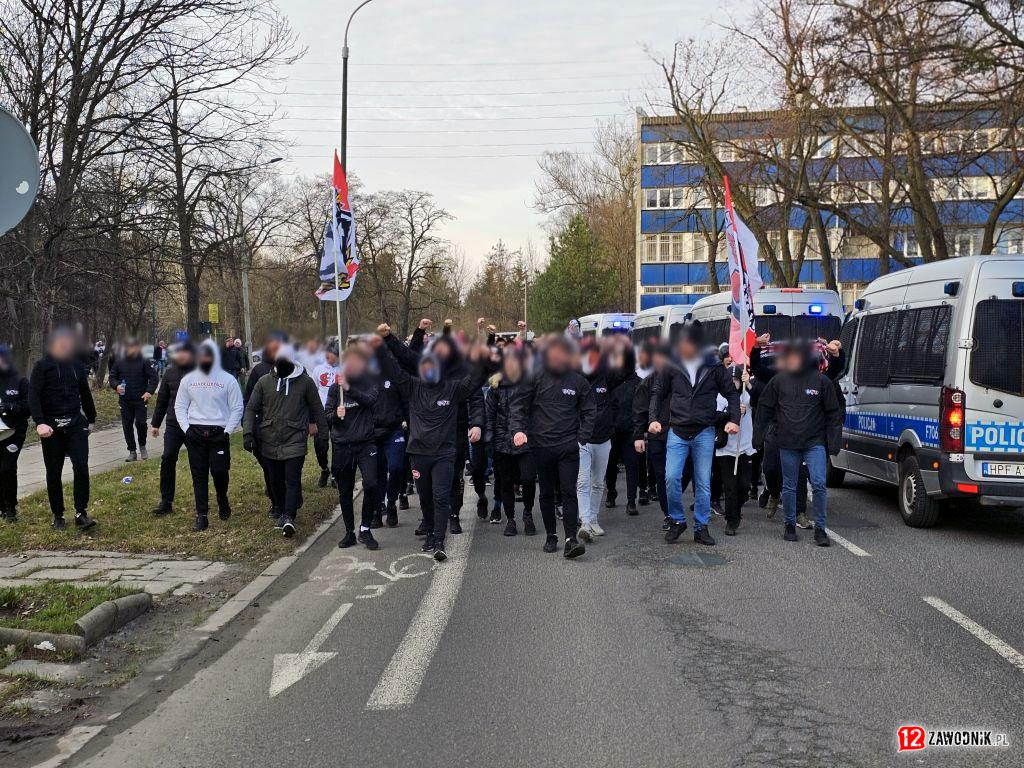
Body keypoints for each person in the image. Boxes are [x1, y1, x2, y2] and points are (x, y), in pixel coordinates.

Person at [375, 323, 487, 562]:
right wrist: (384, 341)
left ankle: (439, 541)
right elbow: (395, 367)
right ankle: (430, 530)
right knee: (425, 497)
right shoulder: (412, 386)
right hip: (418, 453)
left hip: (444, 453)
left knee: (440, 496)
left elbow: (475, 381)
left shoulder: (453, 389)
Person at [648, 322, 740, 546]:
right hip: (677, 431)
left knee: (703, 483)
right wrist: (652, 420)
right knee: (671, 478)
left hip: (704, 432)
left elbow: (731, 393)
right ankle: (678, 520)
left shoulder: (715, 367)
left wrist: (734, 420)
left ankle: (701, 527)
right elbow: (658, 393)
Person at [510, 334, 595, 559]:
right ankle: (551, 535)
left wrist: (582, 437)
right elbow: (518, 405)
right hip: (541, 446)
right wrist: (518, 430)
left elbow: (589, 410)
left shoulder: (577, 381)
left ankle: (570, 539)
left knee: (568, 491)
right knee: (546, 492)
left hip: (568, 447)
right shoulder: (535, 377)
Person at [754, 340, 843, 545]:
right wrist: (758, 437)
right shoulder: (778, 381)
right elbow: (765, 407)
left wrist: (833, 442)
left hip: (814, 443)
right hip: (788, 443)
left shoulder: (821, 382)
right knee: (789, 486)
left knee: (819, 484)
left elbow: (833, 413)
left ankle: (820, 529)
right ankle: (789, 525)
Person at [243, 345, 325, 537]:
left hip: (295, 438)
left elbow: (318, 409)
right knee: (275, 480)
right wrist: (248, 433)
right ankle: (280, 507)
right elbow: (251, 408)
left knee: (292, 478)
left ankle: (289, 516)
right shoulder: (264, 382)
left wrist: (323, 435)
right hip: (269, 439)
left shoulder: (305, 382)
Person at [29, 328, 98, 530]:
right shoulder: (42, 367)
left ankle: (81, 513)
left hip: (75, 423)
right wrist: (39, 422)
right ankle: (58, 515)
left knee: (81, 467)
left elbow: (85, 393)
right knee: (53, 472)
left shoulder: (76, 365)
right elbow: (33, 396)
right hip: (51, 427)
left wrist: (91, 419)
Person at [175, 339, 244, 531]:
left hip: (219, 433)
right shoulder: (188, 380)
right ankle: (202, 515)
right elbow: (180, 406)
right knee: (199, 475)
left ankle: (222, 498)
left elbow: (237, 407)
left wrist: (228, 431)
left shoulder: (227, 380)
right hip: (195, 432)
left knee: (220, 472)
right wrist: (186, 428)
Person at [325, 344, 380, 549]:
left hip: (366, 444)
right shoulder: (334, 389)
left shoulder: (367, 383)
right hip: (343, 446)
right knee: (345, 491)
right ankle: (349, 531)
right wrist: (336, 417)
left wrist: (349, 389)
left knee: (372, 484)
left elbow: (370, 400)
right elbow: (327, 416)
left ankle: (365, 529)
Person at [577, 337, 631, 542]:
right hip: (582, 439)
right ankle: (584, 522)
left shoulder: (606, 376)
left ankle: (593, 519)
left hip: (603, 438)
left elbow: (626, 372)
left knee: (598, 483)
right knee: (583, 481)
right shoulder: (576, 377)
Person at [485, 346, 536, 537]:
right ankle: (511, 519)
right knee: (505, 482)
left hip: (525, 441)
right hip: (502, 442)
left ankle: (528, 513)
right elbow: (489, 416)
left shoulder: (530, 385)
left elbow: (536, 412)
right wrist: (488, 440)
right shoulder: (495, 388)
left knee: (529, 479)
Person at [368, 336, 409, 528]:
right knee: (377, 473)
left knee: (396, 467)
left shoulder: (395, 375)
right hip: (373, 433)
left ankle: (391, 501)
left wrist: (407, 420)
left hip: (394, 430)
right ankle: (378, 508)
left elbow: (406, 401)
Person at [150, 342, 195, 515]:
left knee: (197, 462)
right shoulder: (170, 373)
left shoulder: (199, 373)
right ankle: (166, 501)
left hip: (194, 425)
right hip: (174, 423)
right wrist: (155, 424)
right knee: (168, 458)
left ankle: (202, 499)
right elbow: (162, 400)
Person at [633, 343, 672, 530]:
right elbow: (640, 411)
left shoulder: (678, 380)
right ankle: (669, 514)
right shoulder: (647, 382)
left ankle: (676, 507)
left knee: (677, 475)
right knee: (662, 475)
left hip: (680, 435)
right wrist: (639, 435)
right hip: (657, 437)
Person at [246, 332, 285, 518]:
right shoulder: (258, 371)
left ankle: (290, 497)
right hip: (264, 429)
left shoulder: (292, 368)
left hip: (287, 429)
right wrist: (249, 430)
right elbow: (249, 403)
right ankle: (276, 503)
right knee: (270, 469)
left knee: (287, 468)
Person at [606, 341, 646, 515]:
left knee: (632, 466)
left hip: (631, 430)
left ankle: (631, 501)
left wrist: (640, 430)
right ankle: (611, 492)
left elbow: (642, 408)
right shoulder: (611, 380)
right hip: (612, 429)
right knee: (611, 465)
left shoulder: (639, 382)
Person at [715, 365, 755, 536]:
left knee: (744, 486)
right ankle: (731, 520)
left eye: (736, 381)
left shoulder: (746, 395)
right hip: (726, 449)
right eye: (730, 381)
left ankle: (736, 510)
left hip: (745, 447)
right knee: (730, 486)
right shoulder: (720, 397)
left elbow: (762, 399)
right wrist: (730, 413)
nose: (733, 384)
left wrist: (750, 385)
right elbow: (714, 418)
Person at [108, 338, 158, 461]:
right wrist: (116, 386)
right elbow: (112, 377)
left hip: (141, 398)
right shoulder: (119, 362)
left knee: (141, 423)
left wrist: (149, 391)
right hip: (125, 400)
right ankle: (132, 451)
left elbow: (154, 377)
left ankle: (142, 446)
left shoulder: (144, 362)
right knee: (127, 425)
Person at [0, 346, 30, 522]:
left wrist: (10, 407)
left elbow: (29, 406)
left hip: (14, 431)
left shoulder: (20, 381)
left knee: (8, 468)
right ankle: (2, 506)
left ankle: (11, 507)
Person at [310, 342, 341, 489]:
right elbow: (312, 392)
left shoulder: (342, 369)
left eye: (334, 355)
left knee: (337, 443)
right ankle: (324, 469)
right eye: (329, 355)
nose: (331, 358)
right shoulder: (317, 370)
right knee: (320, 444)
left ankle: (336, 473)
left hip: (337, 411)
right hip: (321, 412)